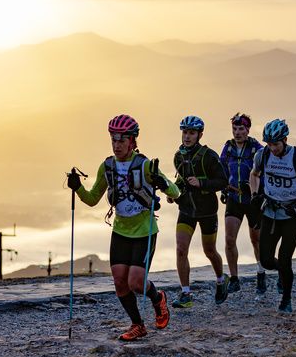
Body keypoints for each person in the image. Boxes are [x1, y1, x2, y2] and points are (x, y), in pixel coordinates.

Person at [67, 114, 180, 341]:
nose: (117, 145)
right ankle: (138, 325)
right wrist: (77, 187)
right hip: (120, 230)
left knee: (136, 283)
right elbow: (91, 199)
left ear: (132, 142)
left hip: (144, 230)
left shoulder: (145, 165)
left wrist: (162, 183)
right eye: (113, 140)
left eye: (121, 140)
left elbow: (175, 192)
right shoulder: (107, 167)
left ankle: (158, 299)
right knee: (120, 282)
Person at [250, 119, 296, 313]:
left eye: (275, 144)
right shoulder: (262, 155)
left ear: (285, 140)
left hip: (292, 217)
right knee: (265, 260)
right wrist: (255, 195)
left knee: (285, 258)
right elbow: (254, 175)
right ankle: (282, 272)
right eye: (269, 144)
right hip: (270, 213)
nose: (272, 148)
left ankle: (286, 298)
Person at [170, 115, 230, 308]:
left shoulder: (209, 156)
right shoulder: (178, 156)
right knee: (181, 250)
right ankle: (186, 294)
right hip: (186, 209)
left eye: (191, 133)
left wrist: (201, 183)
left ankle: (221, 280)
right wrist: (174, 194)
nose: (187, 136)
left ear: (200, 135)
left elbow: (223, 182)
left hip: (207, 211)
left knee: (209, 251)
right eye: (185, 132)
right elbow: (181, 180)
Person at [219, 113, 265, 294]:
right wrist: (223, 188)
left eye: (241, 129)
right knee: (229, 240)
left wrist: (257, 190)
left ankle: (261, 273)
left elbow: (265, 172)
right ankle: (234, 279)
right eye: (234, 129)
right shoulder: (228, 148)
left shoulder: (257, 149)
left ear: (248, 130)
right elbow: (222, 168)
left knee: (256, 240)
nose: (237, 133)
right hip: (234, 199)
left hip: (252, 200)